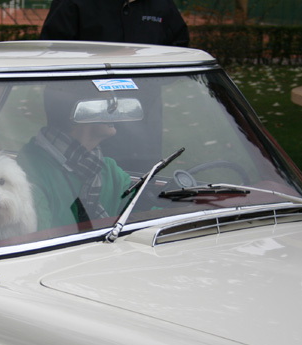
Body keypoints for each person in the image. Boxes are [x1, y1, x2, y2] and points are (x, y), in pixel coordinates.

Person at [17, 82, 132, 230]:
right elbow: (40, 238)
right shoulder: (28, 172)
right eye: (108, 102)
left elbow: (144, 213)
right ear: (80, 112)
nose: (115, 108)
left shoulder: (108, 170)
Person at [40, 0, 190, 47]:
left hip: (146, 105)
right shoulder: (72, 3)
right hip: (80, 103)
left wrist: (153, 82)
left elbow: (179, 44)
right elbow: (53, 48)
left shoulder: (162, 4)